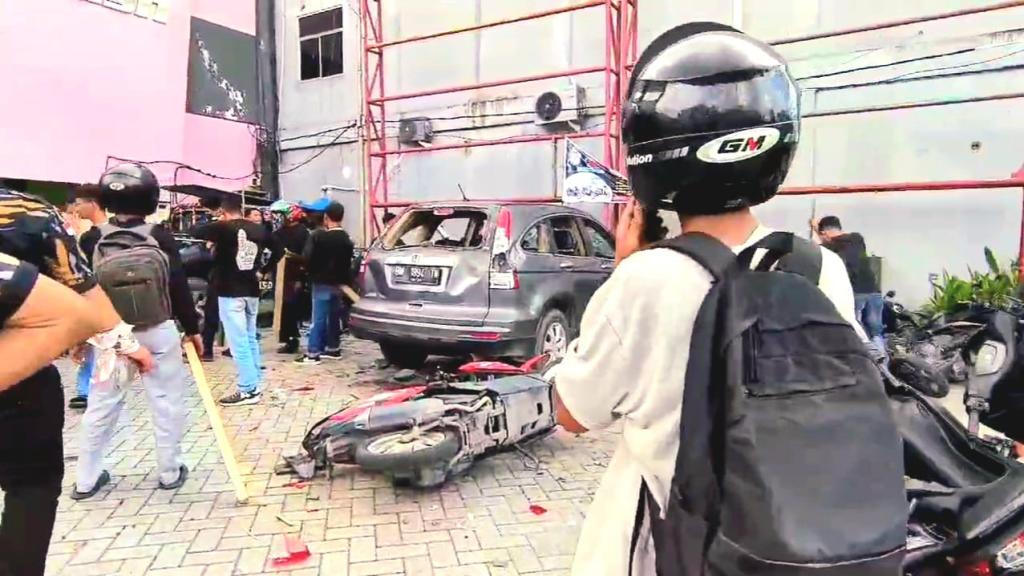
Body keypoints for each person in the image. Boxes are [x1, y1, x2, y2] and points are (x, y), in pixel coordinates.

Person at [551, 24, 867, 575]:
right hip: (791, 538)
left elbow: (573, 414)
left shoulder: (645, 280)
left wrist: (624, 268)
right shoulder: (821, 269)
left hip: (670, 545)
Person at [0, 186, 154, 576]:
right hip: (23, 379)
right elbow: (82, 297)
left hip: (25, 381)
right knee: (30, 487)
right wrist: (124, 342)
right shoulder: (25, 211)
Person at [73, 163, 202, 502]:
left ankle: (85, 480)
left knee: (101, 405)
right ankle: (169, 472)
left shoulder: (91, 239)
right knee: (166, 402)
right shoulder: (159, 237)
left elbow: (82, 290)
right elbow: (178, 287)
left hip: (113, 338)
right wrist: (193, 328)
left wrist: (79, 336)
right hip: (158, 330)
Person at [192, 195, 270, 405]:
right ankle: (255, 382)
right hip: (251, 289)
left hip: (229, 290)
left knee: (238, 342)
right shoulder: (259, 229)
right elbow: (277, 249)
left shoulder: (224, 228)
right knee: (250, 337)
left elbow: (196, 231)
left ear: (223, 213)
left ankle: (248, 389)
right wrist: (263, 270)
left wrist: (214, 221)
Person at [814, 215, 885, 352]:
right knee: (876, 333)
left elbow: (823, 246)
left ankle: (868, 362)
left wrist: (816, 231)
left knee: (856, 332)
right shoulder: (857, 239)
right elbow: (834, 240)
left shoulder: (828, 248)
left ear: (824, 234)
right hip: (873, 291)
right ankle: (882, 363)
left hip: (855, 294)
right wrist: (819, 231)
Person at [295, 201, 353, 365]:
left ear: (326, 217)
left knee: (318, 318)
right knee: (333, 316)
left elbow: (308, 259)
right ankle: (333, 348)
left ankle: (313, 352)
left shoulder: (318, 236)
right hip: (339, 284)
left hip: (321, 281)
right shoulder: (346, 238)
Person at [68, 183, 109, 409]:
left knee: (98, 343)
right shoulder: (89, 236)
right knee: (91, 342)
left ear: (93, 204)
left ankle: (90, 388)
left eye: (79, 203)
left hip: (101, 294)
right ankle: (85, 389)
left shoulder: (94, 237)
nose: (76, 208)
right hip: (95, 296)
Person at [271, 205, 310, 354]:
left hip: (294, 275)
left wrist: (301, 275)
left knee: (290, 308)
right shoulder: (279, 233)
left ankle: (292, 339)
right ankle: (287, 338)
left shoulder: (302, 232)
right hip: (281, 274)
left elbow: (305, 256)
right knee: (284, 307)